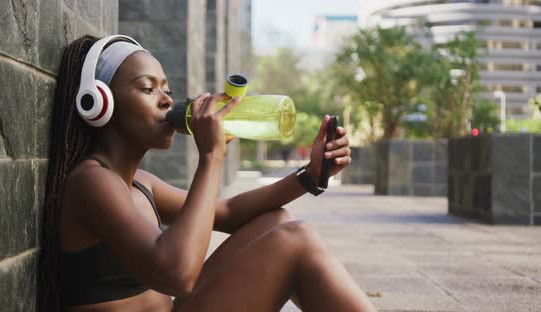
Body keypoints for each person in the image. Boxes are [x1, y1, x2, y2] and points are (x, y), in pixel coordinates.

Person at [37, 34, 375, 312]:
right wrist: (211, 156)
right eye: (147, 88)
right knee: (294, 239)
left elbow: (226, 212)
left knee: (276, 221)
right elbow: (176, 276)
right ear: (100, 103)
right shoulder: (92, 180)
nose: (166, 100)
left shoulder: (141, 183)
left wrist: (309, 177)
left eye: (166, 89)